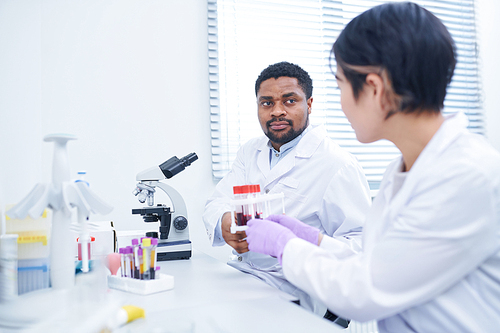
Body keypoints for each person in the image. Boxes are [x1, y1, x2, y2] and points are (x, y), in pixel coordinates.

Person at [246, 2, 500, 332]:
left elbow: (362, 291)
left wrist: (285, 246)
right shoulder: (408, 168)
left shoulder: (465, 176)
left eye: (340, 86)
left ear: (374, 89)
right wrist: (315, 241)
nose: (341, 102)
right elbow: (383, 264)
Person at [203, 61, 371, 318]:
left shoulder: (337, 164)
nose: (277, 111)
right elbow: (217, 201)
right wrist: (224, 222)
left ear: (309, 104)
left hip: (292, 289)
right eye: (267, 103)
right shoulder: (250, 151)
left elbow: (361, 246)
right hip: (241, 276)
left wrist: (299, 245)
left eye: (290, 101)